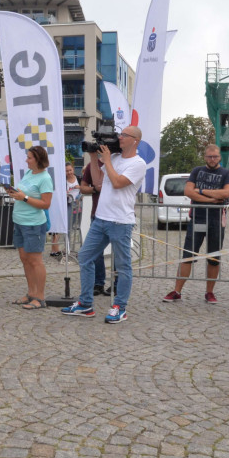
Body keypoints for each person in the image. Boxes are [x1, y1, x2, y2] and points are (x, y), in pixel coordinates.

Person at [62, 127, 146, 323]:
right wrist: (93, 157)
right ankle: (85, 304)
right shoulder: (114, 159)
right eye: (120, 134)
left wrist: (107, 161)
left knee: (123, 266)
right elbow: (99, 183)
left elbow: (117, 183)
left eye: (124, 135)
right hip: (101, 218)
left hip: (120, 221)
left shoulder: (138, 163)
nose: (120, 138)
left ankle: (120, 307)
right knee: (84, 256)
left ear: (135, 141)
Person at [162, 144, 229, 304]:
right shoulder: (197, 171)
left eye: (215, 156)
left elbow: (226, 193)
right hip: (198, 218)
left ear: (220, 157)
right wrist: (211, 199)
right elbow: (188, 192)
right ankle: (177, 291)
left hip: (216, 220)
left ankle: (209, 292)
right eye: (209, 156)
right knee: (187, 256)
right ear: (205, 157)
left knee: (214, 257)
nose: (212, 159)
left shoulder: (227, 173)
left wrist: (200, 191)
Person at [9, 146, 54, 310]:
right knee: (25, 259)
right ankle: (31, 293)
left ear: (38, 159)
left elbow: (46, 204)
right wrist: (16, 193)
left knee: (35, 261)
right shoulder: (29, 173)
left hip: (34, 224)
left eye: (29, 158)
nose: (26, 160)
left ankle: (40, 297)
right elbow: (24, 193)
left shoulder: (45, 178)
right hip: (19, 221)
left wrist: (25, 197)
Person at [79, 158, 111, 296]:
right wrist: (94, 189)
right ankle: (98, 283)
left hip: (116, 216)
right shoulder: (92, 165)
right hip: (97, 214)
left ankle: (117, 283)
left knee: (120, 254)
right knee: (94, 253)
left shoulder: (118, 162)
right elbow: (83, 187)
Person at [49, 162, 80, 259]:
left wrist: (81, 188)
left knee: (71, 227)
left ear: (73, 170)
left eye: (70, 170)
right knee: (59, 226)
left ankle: (68, 248)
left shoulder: (79, 178)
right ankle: (55, 249)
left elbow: (85, 187)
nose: (69, 172)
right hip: (65, 205)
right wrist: (64, 194)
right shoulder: (62, 181)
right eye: (67, 171)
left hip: (77, 206)